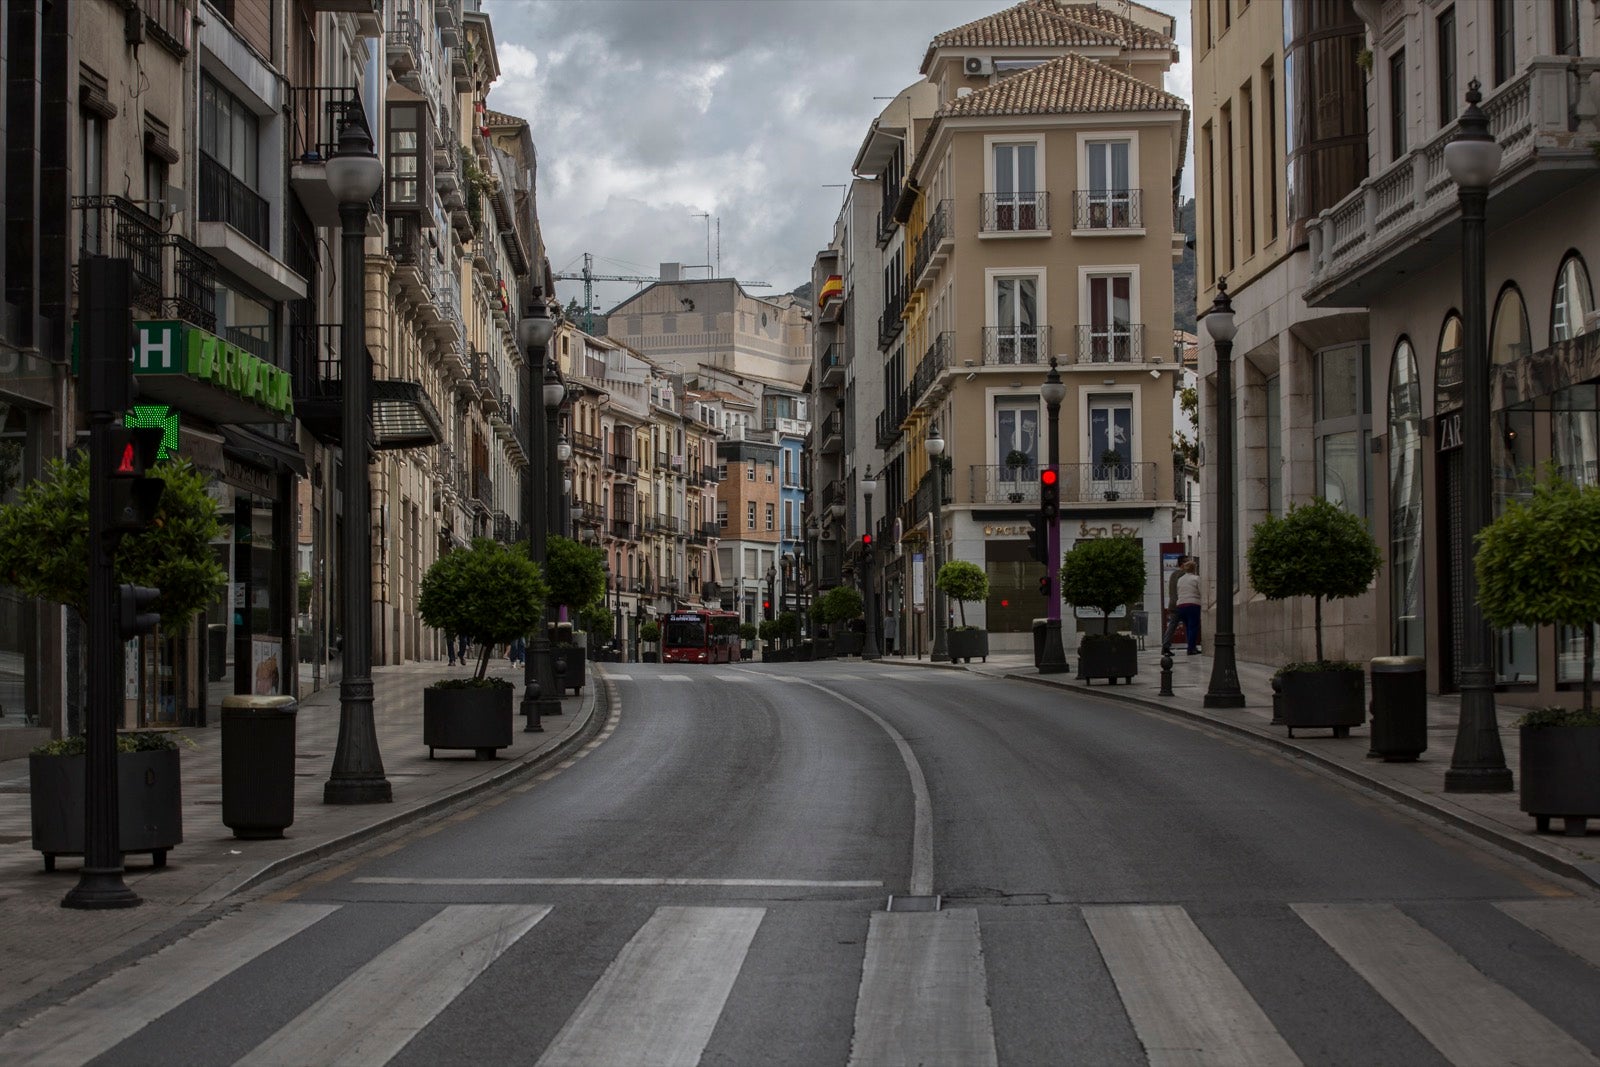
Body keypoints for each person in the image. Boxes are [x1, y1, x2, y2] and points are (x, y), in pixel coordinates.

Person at [1170, 558, 1203, 655]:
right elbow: (1201, 591)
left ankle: (1191, 646)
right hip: (1193, 604)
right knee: (1193, 627)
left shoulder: (1180, 579)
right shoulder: (1196, 578)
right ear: (1194, 569)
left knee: (1188, 627)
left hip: (1181, 605)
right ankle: (1191, 648)